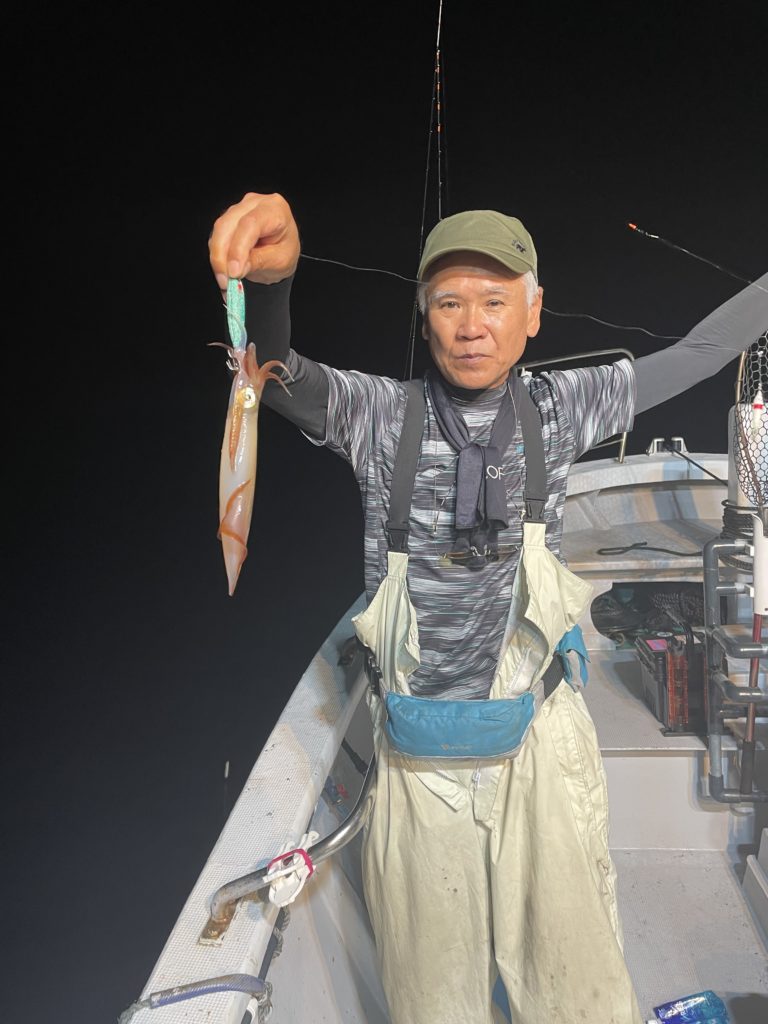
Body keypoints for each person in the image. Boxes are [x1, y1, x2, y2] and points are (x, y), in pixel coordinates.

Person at [209, 193, 768, 1024]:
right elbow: (270, 376)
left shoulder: (562, 408)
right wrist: (273, 283)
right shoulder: (380, 418)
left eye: (496, 301)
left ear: (533, 313)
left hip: (540, 745)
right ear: (424, 316)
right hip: (419, 767)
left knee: (578, 996)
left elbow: (704, 350)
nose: (472, 325)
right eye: (449, 303)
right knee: (438, 1003)